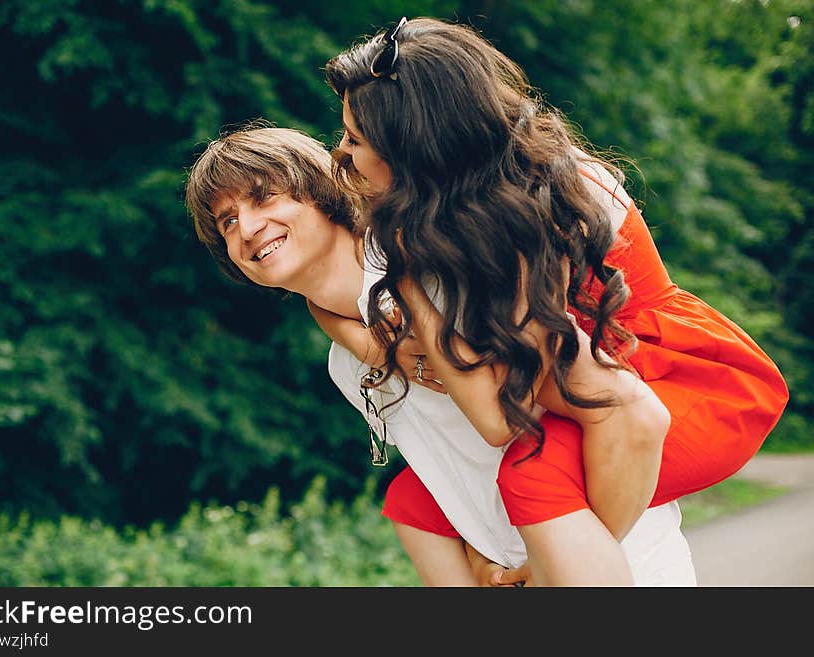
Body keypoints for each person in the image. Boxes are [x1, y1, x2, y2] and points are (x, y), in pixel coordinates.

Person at [322, 16, 789, 583]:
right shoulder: (452, 209)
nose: (340, 153)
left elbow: (519, 411)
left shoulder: (522, 212)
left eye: (354, 139)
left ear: (415, 151)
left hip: (681, 376)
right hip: (595, 368)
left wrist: (533, 566)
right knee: (419, 499)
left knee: (530, 476)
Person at [184, 125, 698, 586]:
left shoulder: (435, 263)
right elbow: (453, 472)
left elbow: (533, 418)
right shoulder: (345, 365)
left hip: (616, 549)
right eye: (227, 222)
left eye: (264, 199)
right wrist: (484, 554)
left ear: (321, 194)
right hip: (517, 565)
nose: (248, 228)